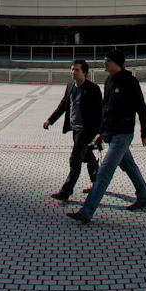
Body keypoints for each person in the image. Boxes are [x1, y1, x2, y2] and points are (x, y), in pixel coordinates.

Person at [67, 48, 146, 223]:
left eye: (107, 60)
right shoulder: (108, 81)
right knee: (129, 166)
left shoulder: (130, 81)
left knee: (104, 173)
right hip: (112, 134)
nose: (104, 63)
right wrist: (101, 132)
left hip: (123, 134)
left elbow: (141, 107)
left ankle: (87, 211)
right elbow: (107, 110)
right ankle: (144, 196)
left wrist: (145, 132)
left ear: (116, 63)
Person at [43, 59, 102, 201]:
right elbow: (64, 104)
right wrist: (50, 120)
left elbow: (100, 112)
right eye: (72, 69)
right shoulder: (70, 86)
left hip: (86, 131)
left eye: (76, 70)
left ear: (84, 72)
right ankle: (98, 182)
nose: (73, 72)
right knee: (87, 156)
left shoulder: (93, 89)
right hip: (75, 130)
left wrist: (100, 132)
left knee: (75, 160)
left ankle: (65, 191)